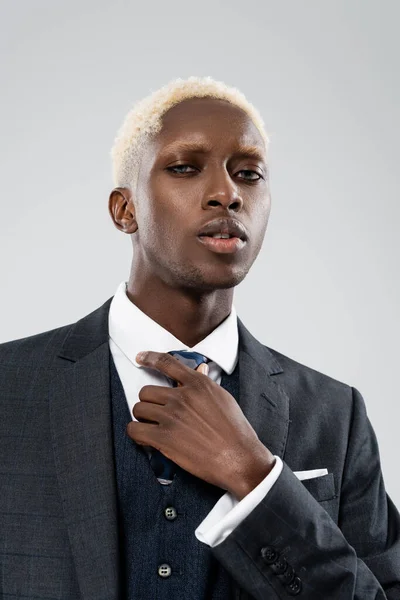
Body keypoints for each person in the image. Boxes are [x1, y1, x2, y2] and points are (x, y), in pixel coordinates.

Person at [0, 76, 399, 600]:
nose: (227, 194)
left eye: (249, 173)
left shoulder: (336, 414)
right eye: (185, 167)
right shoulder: (9, 388)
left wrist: (257, 479)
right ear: (126, 210)